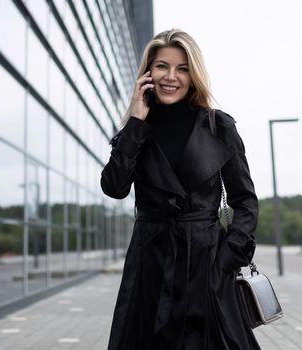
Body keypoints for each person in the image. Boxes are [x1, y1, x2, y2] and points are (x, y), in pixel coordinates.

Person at [101, 28, 260, 350]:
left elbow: (245, 200)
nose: (171, 77)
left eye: (182, 68)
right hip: (150, 262)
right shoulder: (136, 129)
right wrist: (135, 122)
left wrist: (227, 258)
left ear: (193, 74)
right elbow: (114, 188)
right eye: (162, 66)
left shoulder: (218, 126)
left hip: (206, 261)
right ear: (148, 72)